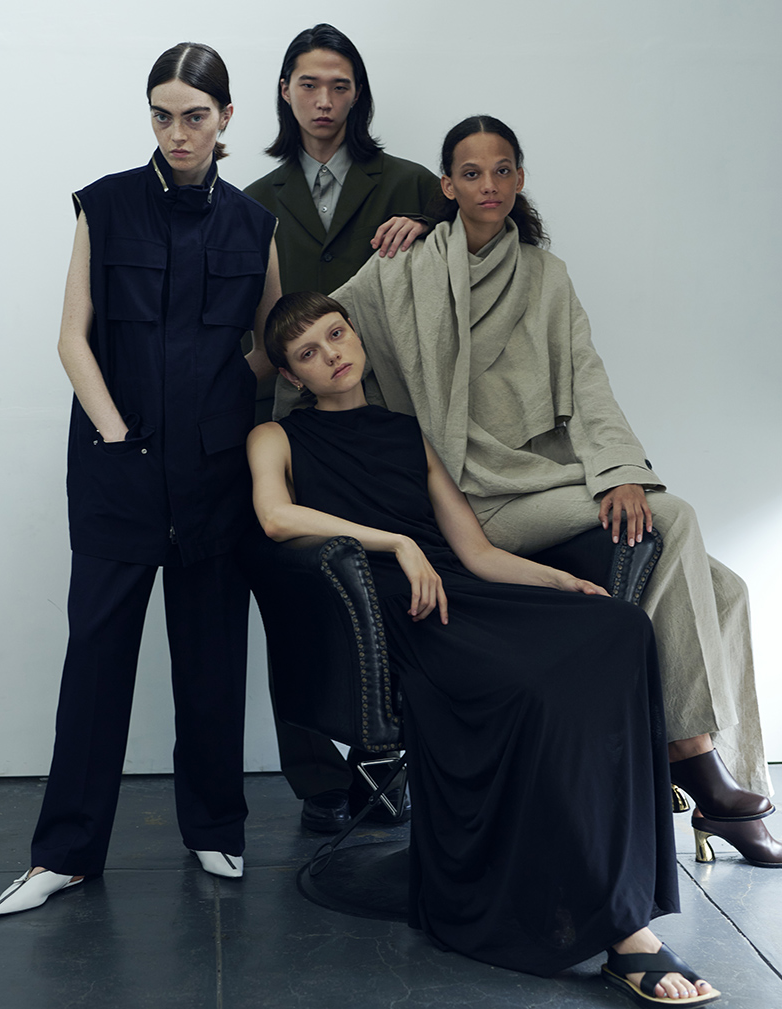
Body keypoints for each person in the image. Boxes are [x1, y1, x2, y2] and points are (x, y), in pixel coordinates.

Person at [273, 115, 781, 868]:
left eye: (502, 169)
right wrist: (298, 446)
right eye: (470, 173)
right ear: (447, 186)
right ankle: (692, 762)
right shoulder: (402, 268)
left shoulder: (546, 275)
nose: (489, 185)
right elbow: (316, 330)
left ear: (519, 177)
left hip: (537, 484)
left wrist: (620, 471)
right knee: (673, 516)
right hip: (468, 502)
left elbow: (587, 380)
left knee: (726, 588)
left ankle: (725, 794)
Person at [247, 291, 721, 1004]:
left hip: (458, 588)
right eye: (308, 352)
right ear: (291, 375)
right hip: (396, 612)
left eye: (337, 334)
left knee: (619, 628)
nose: (332, 354)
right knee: (534, 686)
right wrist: (396, 542)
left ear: (356, 336)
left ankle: (625, 893)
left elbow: (475, 552)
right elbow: (274, 516)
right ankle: (627, 935)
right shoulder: (275, 437)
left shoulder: (407, 433)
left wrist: (561, 582)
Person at [0, 42, 281, 917]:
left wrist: (226, 404)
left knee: (211, 657)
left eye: (195, 116)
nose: (177, 132)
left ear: (226, 118)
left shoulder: (254, 223)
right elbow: (71, 336)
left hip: (214, 474)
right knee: (96, 659)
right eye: (162, 115)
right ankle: (64, 852)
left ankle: (216, 827)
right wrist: (115, 430)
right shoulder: (104, 204)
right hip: (117, 469)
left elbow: (272, 340)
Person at [244, 23, 439, 832]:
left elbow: (475, 250)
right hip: (284, 422)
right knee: (292, 591)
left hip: (385, 416)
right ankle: (318, 778)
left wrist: (429, 229)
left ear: (359, 94)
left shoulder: (411, 183)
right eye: (308, 84)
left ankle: (398, 758)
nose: (324, 101)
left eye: (340, 85)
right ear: (284, 92)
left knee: (394, 582)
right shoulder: (254, 200)